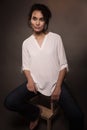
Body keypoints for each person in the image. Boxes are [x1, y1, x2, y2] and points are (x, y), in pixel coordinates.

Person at [4, 3, 84, 130]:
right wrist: (30, 80)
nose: (37, 23)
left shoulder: (56, 38)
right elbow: (26, 67)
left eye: (41, 19)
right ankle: (34, 113)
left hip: (55, 83)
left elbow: (63, 65)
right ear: (30, 20)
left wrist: (58, 87)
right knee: (10, 102)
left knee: (77, 117)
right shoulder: (26, 43)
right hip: (35, 83)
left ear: (46, 21)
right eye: (34, 18)